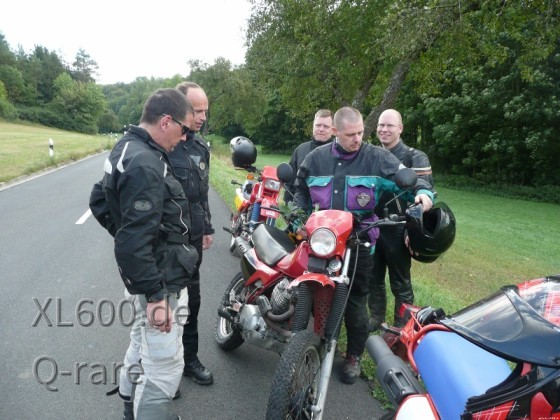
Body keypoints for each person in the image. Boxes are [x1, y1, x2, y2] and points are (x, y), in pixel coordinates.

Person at [293, 107, 434, 385]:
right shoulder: (315, 159)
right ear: (335, 132)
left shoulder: (377, 157)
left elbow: (409, 177)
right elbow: (299, 190)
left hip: (358, 244)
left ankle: (353, 356)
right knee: (309, 293)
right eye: (350, 135)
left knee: (356, 303)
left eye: (360, 133)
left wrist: (423, 193)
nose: (357, 139)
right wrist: (298, 217)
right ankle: (309, 344)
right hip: (321, 244)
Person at [97, 88, 198, 419]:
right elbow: (130, 238)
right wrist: (155, 295)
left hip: (148, 276)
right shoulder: (144, 161)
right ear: (167, 121)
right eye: (185, 130)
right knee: (165, 365)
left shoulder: (128, 148)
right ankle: (146, 411)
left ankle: (130, 403)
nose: (185, 139)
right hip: (159, 282)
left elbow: (99, 201)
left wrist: (131, 236)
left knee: (141, 341)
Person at [368, 109, 434, 331]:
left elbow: (424, 187)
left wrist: (423, 196)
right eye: (381, 125)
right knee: (372, 276)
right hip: (372, 225)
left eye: (390, 125)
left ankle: (402, 327)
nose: (384, 129)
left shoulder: (415, 156)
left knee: (400, 281)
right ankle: (375, 318)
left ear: (400, 128)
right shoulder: (373, 154)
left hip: (398, 229)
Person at [168, 82, 214, 385]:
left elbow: (203, 192)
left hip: (194, 238)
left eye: (205, 111)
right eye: (197, 110)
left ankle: (189, 359)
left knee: (192, 301)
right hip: (169, 240)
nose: (202, 117)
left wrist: (208, 226)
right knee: (167, 305)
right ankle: (164, 367)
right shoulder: (164, 146)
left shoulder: (200, 149)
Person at [283, 109, 334, 204]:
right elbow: (290, 184)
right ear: (313, 126)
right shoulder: (300, 150)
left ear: (333, 130)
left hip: (328, 213)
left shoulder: (339, 153)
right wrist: (289, 210)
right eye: (318, 125)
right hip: (301, 210)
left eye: (326, 126)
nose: (321, 129)